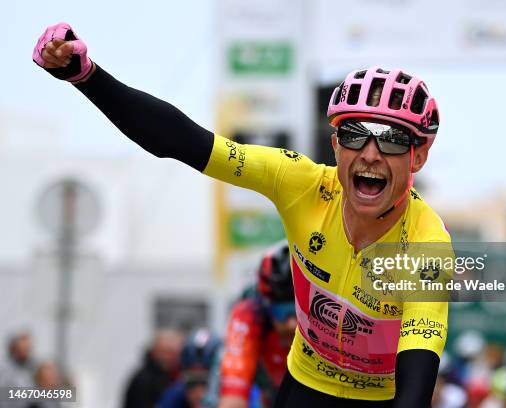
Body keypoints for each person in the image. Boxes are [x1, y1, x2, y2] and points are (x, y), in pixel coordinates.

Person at [33, 22, 451, 407]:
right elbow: (183, 141)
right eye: (355, 134)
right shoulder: (302, 183)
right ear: (337, 145)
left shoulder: (426, 241)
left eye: (393, 140)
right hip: (305, 385)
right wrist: (86, 76)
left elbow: (416, 378)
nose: (371, 154)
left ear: (419, 156)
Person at [218, 242, 296, 408]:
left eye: (299, 310)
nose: (291, 324)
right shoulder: (248, 313)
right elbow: (233, 397)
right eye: (281, 311)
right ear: (266, 303)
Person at [158, 328, 223, 408]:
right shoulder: (173, 397)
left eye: (207, 383)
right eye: (192, 383)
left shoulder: (236, 398)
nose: (199, 393)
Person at [122, 329, 183, 408]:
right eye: (164, 352)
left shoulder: (176, 375)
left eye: (173, 352)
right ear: (154, 351)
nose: (168, 357)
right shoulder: (144, 380)